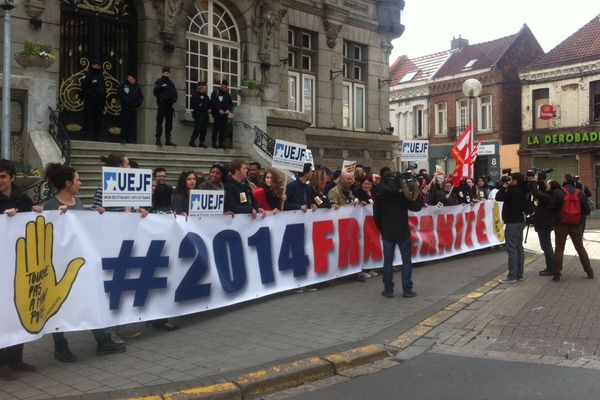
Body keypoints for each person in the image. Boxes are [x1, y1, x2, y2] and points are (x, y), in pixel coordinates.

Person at [43, 163, 126, 361]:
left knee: (89, 300)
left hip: (80, 262)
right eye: (78, 179)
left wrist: (97, 217)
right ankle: (60, 347)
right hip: (59, 264)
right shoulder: (50, 206)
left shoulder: (78, 202)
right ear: (67, 182)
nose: (81, 183)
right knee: (58, 305)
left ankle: (102, 341)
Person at [0, 159, 36, 380]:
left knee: (20, 307)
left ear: (12, 177)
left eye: (3, 176)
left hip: (20, 263)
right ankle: (2, 363)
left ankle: (16, 358)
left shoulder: (23, 198)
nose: (0, 180)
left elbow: (33, 221)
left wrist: (37, 212)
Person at [374, 172, 422, 298]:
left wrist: (382, 228)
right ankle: (407, 289)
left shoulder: (380, 195)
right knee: (406, 261)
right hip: (402, 231)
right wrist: (415, 189)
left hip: (387, 232)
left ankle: (388, 290)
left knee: (388, 261)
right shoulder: (402, 195)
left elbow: (376, 216)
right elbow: (416, 207)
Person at [552, 173, 593, 282]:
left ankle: (557, 273)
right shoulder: (580, 193)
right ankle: (589, 271)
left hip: (560, 225)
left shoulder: (558, 192)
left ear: (564, 180)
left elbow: (552, 207)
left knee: (559, 248)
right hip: (576, 225)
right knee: (580, 248)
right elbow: (587, 210)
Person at [495, 172, 527, 283]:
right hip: (520, 220)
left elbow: (498, 197)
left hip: (513, 223)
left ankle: (512, 275)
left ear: (516, 181)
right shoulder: (522, 190)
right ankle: (519, 274)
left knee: (512, 249)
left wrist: (504, 186)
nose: (509, 181)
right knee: (519, 248)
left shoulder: (513, 191)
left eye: (511, 179)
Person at [530, 178, 559, 276]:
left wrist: (533, 182)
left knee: (546, 246)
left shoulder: (548, 197)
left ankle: (551, 269)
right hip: (545, 224)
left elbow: (536, 193)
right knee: (546, 246)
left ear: (551, 187)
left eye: (548, 184)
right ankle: (551, 267)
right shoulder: (550, 195)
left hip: (544, 225)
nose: (546, 185)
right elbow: (542, 191)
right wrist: (540, 180)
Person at [81, 58, 105, 141]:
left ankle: (97, 135)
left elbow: (104, 89)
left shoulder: (101, 76)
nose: (97, 67)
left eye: (98, 66)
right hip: (89, 100)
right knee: (87, 117)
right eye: (95, 65)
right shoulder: (88, 74)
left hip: (99, 102)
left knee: (98, 119)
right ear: (92, 65)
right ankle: (86, 135)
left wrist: (103, 99)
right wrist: (92, 94)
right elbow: (84, 86)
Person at [153, 66, 177, 146]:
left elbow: (175, 94)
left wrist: (174, 99)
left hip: (169, 106)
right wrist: (162, 99)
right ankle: (158, 139)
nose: (167, 73)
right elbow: (156, 92)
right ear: (163, 73)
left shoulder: (171, 83)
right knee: (159, 122)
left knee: (169, 124)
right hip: (162, 105)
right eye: (166, 72)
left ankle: (168, 140)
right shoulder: (159, 82)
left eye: (168, 72)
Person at [118, 73, 144, 144]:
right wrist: (129, 102)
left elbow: (141, 97)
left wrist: (138, 103)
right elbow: (121, 95)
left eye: (132, 79)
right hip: (126, 107)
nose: (131, 80)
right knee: (125, 123)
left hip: (133, 108)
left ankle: (130, 138)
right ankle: (123, 138)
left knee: (132, 124)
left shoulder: (137, 87)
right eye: (129, 78)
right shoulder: (123, 86)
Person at [211, 80, 233, 149]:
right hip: (217, 114)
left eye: (226, 87)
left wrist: (228, 110)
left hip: (225, 115)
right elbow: (213, 102)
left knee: (223, 129)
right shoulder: (216, 93)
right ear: (221, 85)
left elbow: (230, 104)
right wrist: (218, 110)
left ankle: (221, 143)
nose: (225, 88)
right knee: (216, 128)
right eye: (224, 86)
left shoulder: (227, 95)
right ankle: (214, 143)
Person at [189, 81, 210, 148]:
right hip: (198, 114)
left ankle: (201, 142)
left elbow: (209, 104)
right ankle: (192, 141)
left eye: (206, 88)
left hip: (205, 114)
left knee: (204, 130)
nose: (206, 89)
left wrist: (209, 109)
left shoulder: (206, 96)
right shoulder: (195, 95)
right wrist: (199, 101)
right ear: (200, 88)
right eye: (205, 88)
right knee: (197, 129)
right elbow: (192, 104)